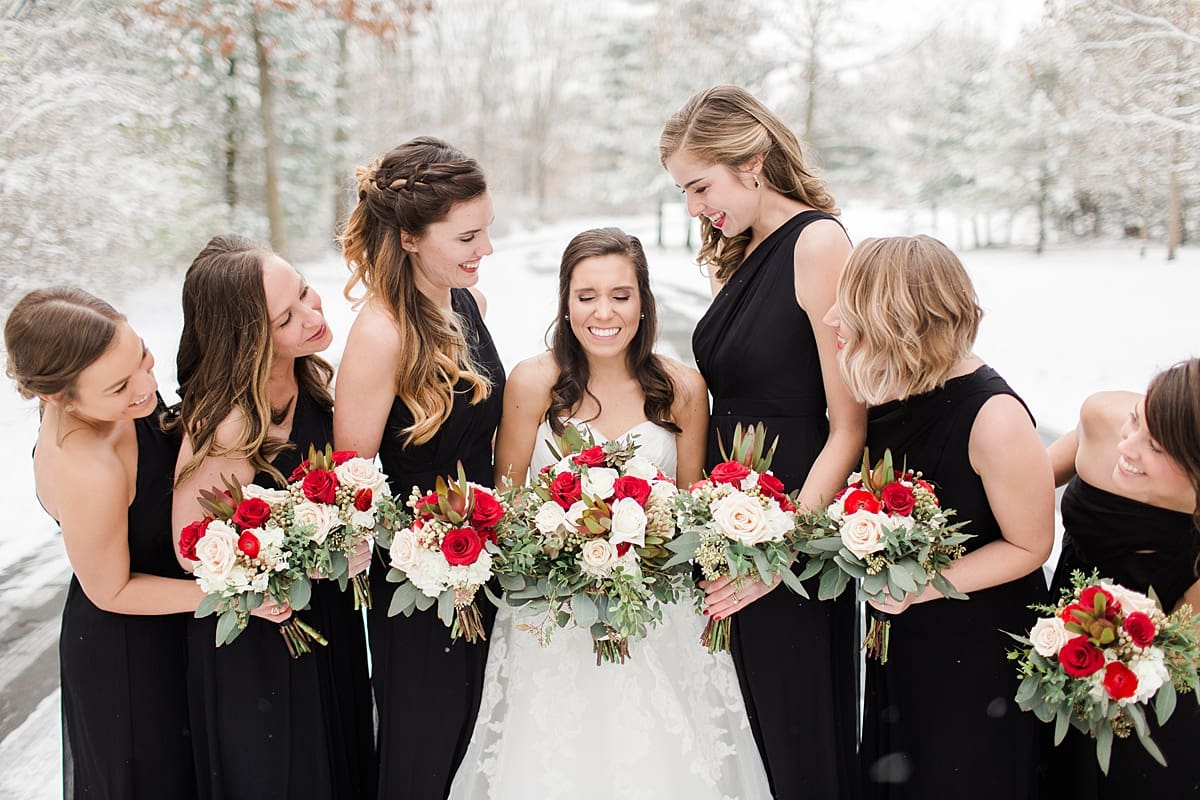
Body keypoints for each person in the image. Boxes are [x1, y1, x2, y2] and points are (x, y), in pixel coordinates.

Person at [447, 227, 772, 800]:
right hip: (553, 615)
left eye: (621, 295)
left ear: (642, 301)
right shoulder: (534, 381)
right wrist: (566, 544)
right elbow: (509, 504)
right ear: (565, 302)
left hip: (660, 614)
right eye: (586, 295)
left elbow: (692, 507)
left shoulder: (683, 387)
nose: (604, 312)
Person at [659, 84, 865, 798]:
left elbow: (849, 425)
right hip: (736, 526)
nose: (693, 208)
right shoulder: (746, 249)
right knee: (742, 732)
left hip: (793, 543)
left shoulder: (818, 241)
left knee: (794, 728)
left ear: (751, 161)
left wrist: (780, 554)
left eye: (698, 186)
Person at [824, 235, 1053, 798]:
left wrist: (922, 587)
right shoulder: (892, 391)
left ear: (897, 318)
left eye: (848, 305)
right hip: (907, 642)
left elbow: (1031, 545)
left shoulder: (993, 416)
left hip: (979, 654)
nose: (831, 316)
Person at [171, 235, 375, 800]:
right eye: (287, 317)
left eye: (305, 291)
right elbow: (192, 547)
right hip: (263, 641)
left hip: (324, 624)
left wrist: (350, 543)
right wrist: (264, 584)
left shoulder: (311, 379)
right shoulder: (230, 420)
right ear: (249, 340)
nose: (312, 314)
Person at [334, 136, 504, 800]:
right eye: (467, 236)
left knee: (475, 739)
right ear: (408, 237)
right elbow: (351, 480)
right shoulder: (380, 334)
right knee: (423, 745)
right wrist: (423, 553)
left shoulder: (467, 305)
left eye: (486, 230)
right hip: (415, 577)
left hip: (480, 559)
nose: (484, 249)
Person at [5, 287, 198, 799]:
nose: (147, 385)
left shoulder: (120, 391)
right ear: (55, 396)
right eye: (119, 387)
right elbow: (110, 592)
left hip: (177, 621)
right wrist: (232, 590)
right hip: (131, 654)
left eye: (141, 356)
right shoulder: (87, 469)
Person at [1046, 358, 1200, 795]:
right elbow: (1017, 492)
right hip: (1058, 645)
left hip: (1156, 681)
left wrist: (1109, 666)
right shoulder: (1103, 421)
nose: (1127, 447)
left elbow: (1181, 661)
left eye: (1156, 447)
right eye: (1135, 422)